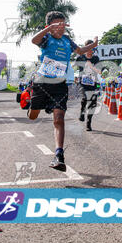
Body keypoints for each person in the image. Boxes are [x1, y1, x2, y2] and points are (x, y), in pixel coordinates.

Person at [27, 11, 98, 171]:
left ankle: (59, 154)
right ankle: (34, 105)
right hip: (42, 83)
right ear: (50, 27)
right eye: (57, 25)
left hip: (60, 84)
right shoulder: (46, 39)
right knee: (33, 116)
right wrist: (48, 29)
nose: (61, 28)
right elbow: (34, 40)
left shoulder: (67, 40)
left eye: (63, 25)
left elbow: (80, 51)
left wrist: (93, 44)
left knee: (58, 119)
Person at [75, 40, 101, 131]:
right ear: (85, 48)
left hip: (93, 83)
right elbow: (78, 67)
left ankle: (88, 123)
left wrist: (92, 66)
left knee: (93, 103)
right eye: (88, 47)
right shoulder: (80, 58)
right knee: (85, 97)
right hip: (83, 83)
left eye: (92, 48)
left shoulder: (96, 59)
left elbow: (99, 70)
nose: (90, 50)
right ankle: (82, 112)